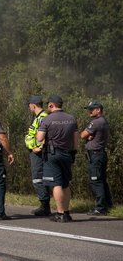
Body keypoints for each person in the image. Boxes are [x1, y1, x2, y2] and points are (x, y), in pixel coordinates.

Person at [35, 95, 78, 223]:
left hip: (52, 154)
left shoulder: (47, 119)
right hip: (67, 154)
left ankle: (60, 213)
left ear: (51, 105)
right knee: (65, 183)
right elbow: (76, 139)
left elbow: (39, 138)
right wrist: (73, 152)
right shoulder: (71, 119)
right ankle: (67, 212)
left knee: (56, 184)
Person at [80, 100, 113, 216]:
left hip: (95, 155)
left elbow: (83, 134)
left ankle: (100, 208)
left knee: (96, 181)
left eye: (91, 109)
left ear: (98, 110)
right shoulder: (103, 121)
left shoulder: (96, 122)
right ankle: (108, 204)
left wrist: (88, 135)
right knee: (102, 180)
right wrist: (90, 136)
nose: (89, 111)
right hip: (99, 154)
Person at [25, 95, 51, 216]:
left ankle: (45, 206)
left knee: (38, 178)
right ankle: (44, 205)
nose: (29, 107)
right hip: (35, 152)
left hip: (38, 153)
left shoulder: (43, 117)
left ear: (33, 105)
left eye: (29, 105)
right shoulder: (39, 117)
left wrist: (40, 147)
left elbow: (46, 134)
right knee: (39, 177)